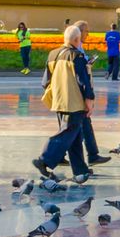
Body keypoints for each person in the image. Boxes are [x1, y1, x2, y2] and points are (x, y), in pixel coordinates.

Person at [35, 24, 96, 180]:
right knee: (68, 132)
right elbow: (83, 82)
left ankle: (80, 170)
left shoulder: (52, 55)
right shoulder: (77, 56)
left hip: (58, 100)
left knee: (75, 135)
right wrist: (89, 99)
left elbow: (44, 82)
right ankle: (44, 159)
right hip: (74, 102)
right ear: (76, 39)